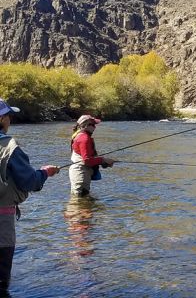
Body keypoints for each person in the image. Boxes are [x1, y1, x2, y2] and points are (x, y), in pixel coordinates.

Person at [0, 98, 59, 292]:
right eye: (8, 116)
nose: (10, 120)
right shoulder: (9, 147)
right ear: (2, 119)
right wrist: (45, 173)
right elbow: (30, 181)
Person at [69, 115, 115, 197]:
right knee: (81, 200)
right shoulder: (84, 138)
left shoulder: (80, 135)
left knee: (80, 201)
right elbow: (87, 160)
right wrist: (103, 160)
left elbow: (87, 158)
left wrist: (103, 162)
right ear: (86, 125)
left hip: (80, 171)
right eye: (93, 125)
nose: (95, 127)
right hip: (81, 173)